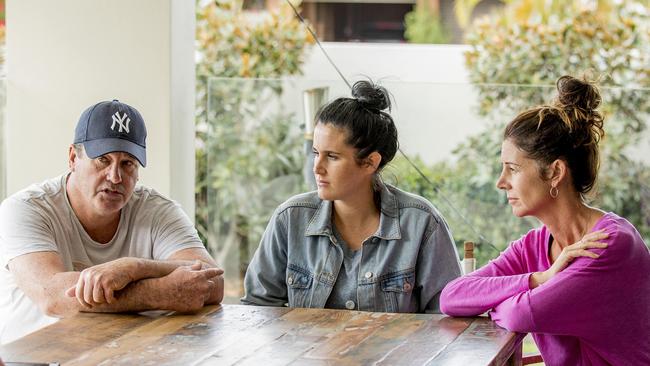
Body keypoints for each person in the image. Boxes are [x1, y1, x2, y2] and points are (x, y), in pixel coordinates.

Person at [440, 76, 650, 365]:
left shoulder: (610, 245)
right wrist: (539, 279)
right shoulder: (534, 245)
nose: (501, 182)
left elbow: (521, 315)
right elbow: (452, 296)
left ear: (555, 173)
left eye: (512, 169)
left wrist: (497, 301)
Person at [0, 100, 224, 344]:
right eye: (103, 160)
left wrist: (134, 267)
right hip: (32, 358)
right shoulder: (25, 209)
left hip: (125, 355)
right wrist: (161, 293)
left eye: (127, 163)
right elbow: (52, 295)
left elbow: (213, 280)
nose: (115, 176)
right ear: (73, 158)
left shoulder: (158, 209)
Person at [241, 80, 461, 313]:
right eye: (316, 153)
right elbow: (257, 310)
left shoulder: (422, 224)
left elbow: (445, 320)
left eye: (332, 157)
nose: (317, 167)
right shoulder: (289, 219)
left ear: (370, 162)